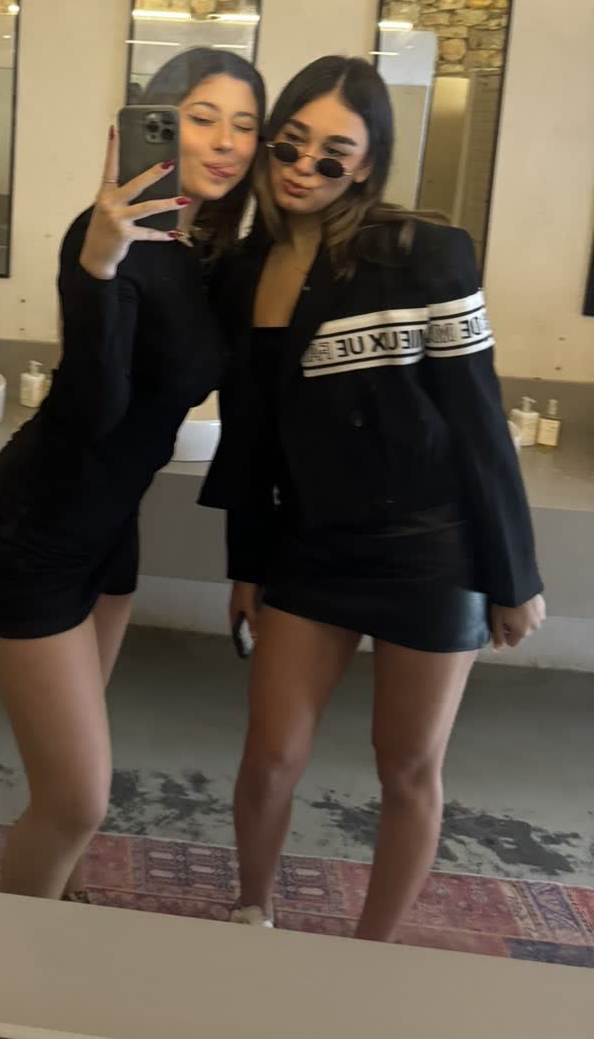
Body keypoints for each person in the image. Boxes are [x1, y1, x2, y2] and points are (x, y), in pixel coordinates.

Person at [200, 55, 546, 941]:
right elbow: (252, 438)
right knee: (270, 755)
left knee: (408, 768)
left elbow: (479, 422)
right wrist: (246, 564)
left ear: (366, 165)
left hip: (431, 549)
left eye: (333, 153)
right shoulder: (244, 270)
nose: (303, 167)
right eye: (290, 144)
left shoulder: (424, 254)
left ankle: (373, 951)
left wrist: (513, 576)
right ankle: (250, 912)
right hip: (309, 545)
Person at [0, 48, 266, 900]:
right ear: (153, 124)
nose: (226, 141)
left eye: (245, 125)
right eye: (202, 118)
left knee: (71, 767)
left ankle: (54, 907)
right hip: (33, 534)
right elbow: (93, 411)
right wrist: (96, 266)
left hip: (109, 530)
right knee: (78, 801)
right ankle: (7, 951)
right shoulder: (105, 237)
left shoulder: (200, 251)